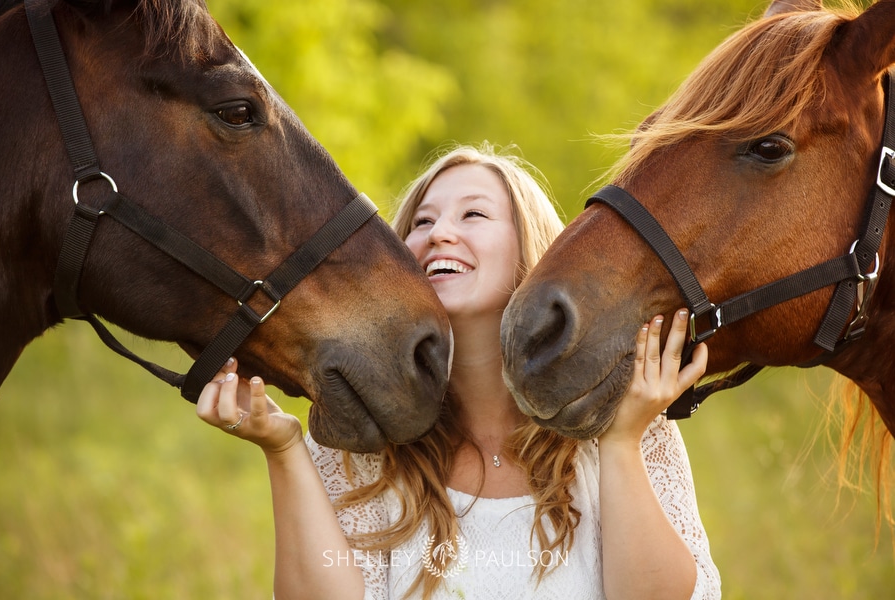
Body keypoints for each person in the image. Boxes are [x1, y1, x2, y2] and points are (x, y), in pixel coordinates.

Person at [196, 143, 721, 600]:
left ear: (531, 250)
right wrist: (285, 449)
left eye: (473, 215)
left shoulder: (625, 421)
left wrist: (623, 440)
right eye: (422, 222)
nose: (439, 234)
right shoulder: (359, 435)